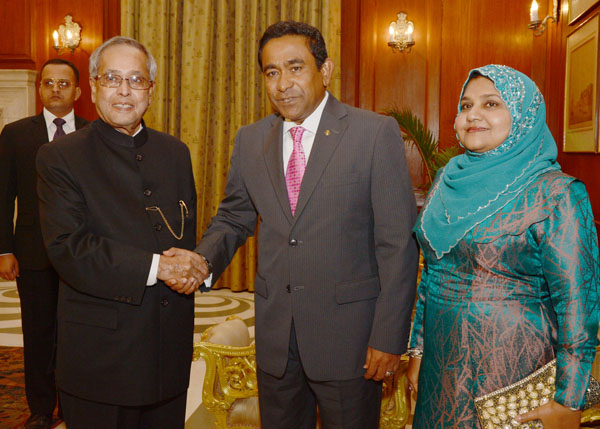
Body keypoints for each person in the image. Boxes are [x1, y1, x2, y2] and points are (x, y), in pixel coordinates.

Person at [166, 20, 419, 428]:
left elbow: (397, 245)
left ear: (326, 70)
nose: (283, 83)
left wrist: (389, 338)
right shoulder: (251, 140)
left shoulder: (373, 133)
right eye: (271, 72)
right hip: (276, 337)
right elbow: (234, 216)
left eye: (295, 67)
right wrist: (202, 260)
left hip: (349, 341)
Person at [406, 64, 600, 428]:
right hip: (440, 372)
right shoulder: (448, 181)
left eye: (491, 104)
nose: (472, 115)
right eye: (465, 106)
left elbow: (578, 305)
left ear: (524, 116)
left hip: (511, 374)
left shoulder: (556, 193)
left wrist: (569, 400)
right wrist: (418, 352)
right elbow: (431, 275)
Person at [35, 36, 204, 429]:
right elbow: (68, 248)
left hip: (168, 355)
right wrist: (157, 267)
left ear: (151, 89)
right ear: (93, 86)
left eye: (136, 79)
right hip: (102, 362)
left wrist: (195, 265)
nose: (125, 91)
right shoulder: (60, 156)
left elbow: (184, 235)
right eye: (112, 78)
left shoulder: (175, 152)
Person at [0, 58, 88, 429]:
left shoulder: (92, 134)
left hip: (83, 256)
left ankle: (74, 406)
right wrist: (4, 248)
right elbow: (3, 196)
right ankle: (39, 409)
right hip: (32, 255)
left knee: (77, 335)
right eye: (48, 82)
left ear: (78, 92)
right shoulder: (15, 133)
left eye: (63, 83)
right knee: (37, 335)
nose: (55, 88)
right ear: (39, 89)